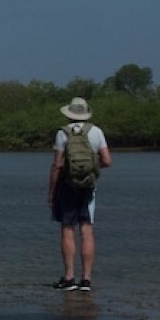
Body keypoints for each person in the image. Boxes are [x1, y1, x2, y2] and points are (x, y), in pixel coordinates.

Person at [48, 96, 112, 292]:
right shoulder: (96, 132)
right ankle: (86, 280)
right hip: (88, 187)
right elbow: (107, 161)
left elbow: (57, 166)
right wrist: (91, 168)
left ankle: (69, 278)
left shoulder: (63, 133)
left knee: (67, 229)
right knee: (86, 230)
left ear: (69, 115)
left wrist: (51, 193)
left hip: (67, 186)